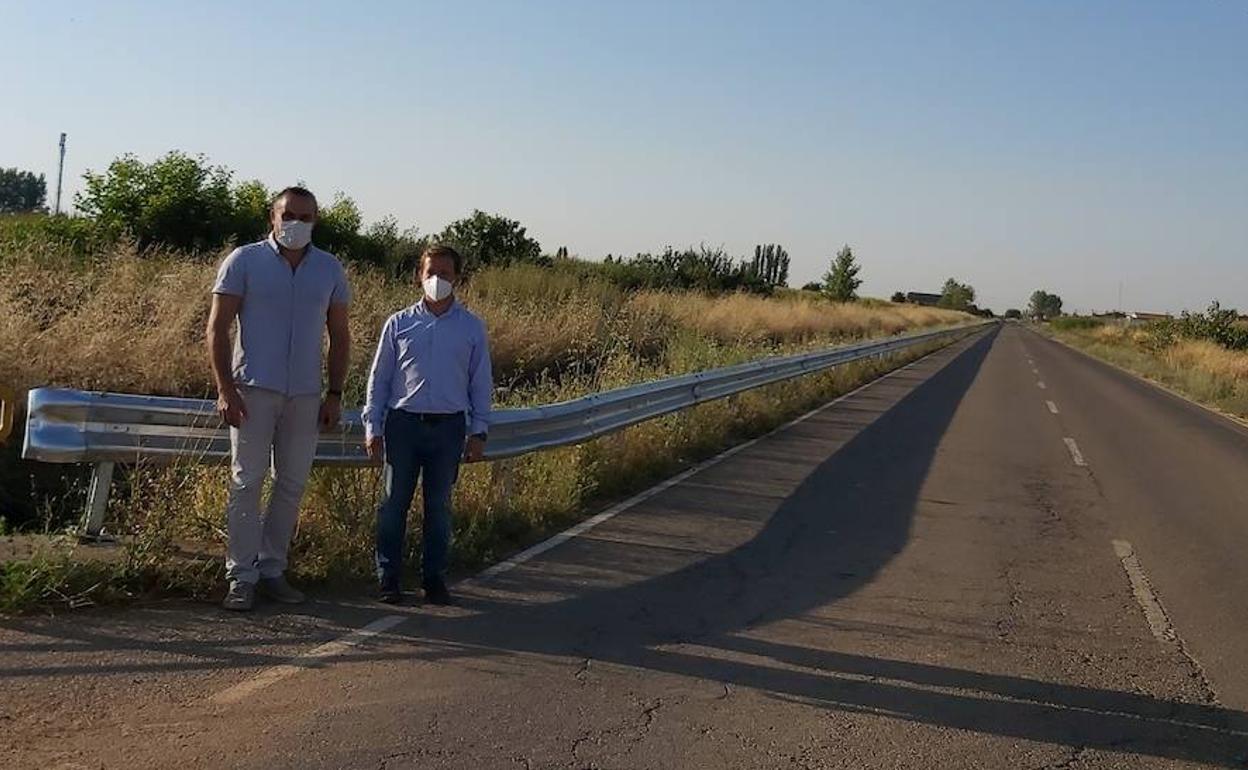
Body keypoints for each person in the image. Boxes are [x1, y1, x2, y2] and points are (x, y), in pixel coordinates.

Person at [207, 186, 352, 611]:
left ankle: (272, 569)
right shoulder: (244, 261)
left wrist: (335, 393)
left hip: (306, 394)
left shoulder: (328, 268)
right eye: (289, 215)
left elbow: (339, 336)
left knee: (290, 485)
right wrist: (224, 388)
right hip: (252, 390)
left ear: (315, 222)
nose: (297, 224)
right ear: (272, 217)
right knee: (246, 483)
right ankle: (241, 576)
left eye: (306, 218)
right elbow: (217, 328)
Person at [363, 244, 492, 605]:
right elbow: (380, 378)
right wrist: (373, 426)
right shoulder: (399, 323)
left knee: (439, 507)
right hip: (403, 425)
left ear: (458, 278)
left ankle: (433, 579)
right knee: (393, 505)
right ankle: (388, 578)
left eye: (445, 274)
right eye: (431, 272)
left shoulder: (471, 328)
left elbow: (480, 382)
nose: (437, 280)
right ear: (419, 275)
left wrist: (478, 430)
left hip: (449, 427)